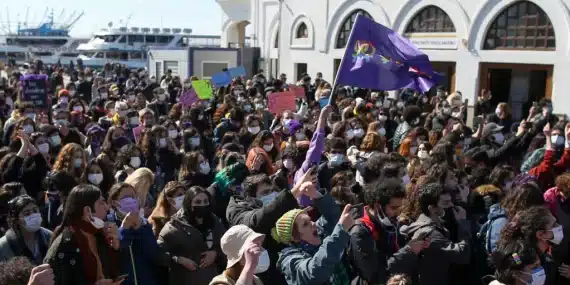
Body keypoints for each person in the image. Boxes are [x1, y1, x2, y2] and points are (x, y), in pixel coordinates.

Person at [389, 183, 470, 285]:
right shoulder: (430, 233)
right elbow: (462, 254)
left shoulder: (432, 224)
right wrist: (463, 222)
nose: (451, 205)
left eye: (451, 201)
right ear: (432, 208)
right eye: (445, 203)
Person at [273, 185, 354, 285]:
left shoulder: (319, 230)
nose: (313, 224)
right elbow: (314, 272)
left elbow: (332, 216)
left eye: (310, 220)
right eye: (305, 224)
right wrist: (339, 233)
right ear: (294, 237)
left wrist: (317, 195)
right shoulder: (289, 259)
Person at [44, 184, 123, 285]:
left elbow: (113, 272)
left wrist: (115, 247)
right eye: (101, 203)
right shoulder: (65, 244)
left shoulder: (101, 236)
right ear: (87, 211)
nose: (107, 208)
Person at [158, 186, 226, 285]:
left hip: (212, 279)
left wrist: (215, 253)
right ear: (189, 204)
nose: (202, 205)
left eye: (205, 201)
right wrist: (179, 260)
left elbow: (227, 246)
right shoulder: (173, 227)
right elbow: (159, 254)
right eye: (198, 202)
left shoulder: (215, 222)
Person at [348, 178, 406, 284]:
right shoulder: (360, 232)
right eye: (394, 208)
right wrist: (408, 251)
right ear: (377, 206)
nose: (398, 213)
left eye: (399, 208)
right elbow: (373, 275)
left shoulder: (387, 221)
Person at [106, 183, 163, 285]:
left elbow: (154, 253)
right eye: (126, 197)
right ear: (115, 203)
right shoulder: (109, 223)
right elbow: (117, 248)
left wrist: (140, 228)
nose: (131, 200)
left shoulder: (144, 223)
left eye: (133, 197)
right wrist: (125, 227)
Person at [0, 195, 52, 264]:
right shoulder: (4, 246)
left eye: (35, 210)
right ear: (17, 220)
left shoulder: (48, 236)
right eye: (27, 213)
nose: (33, 215)